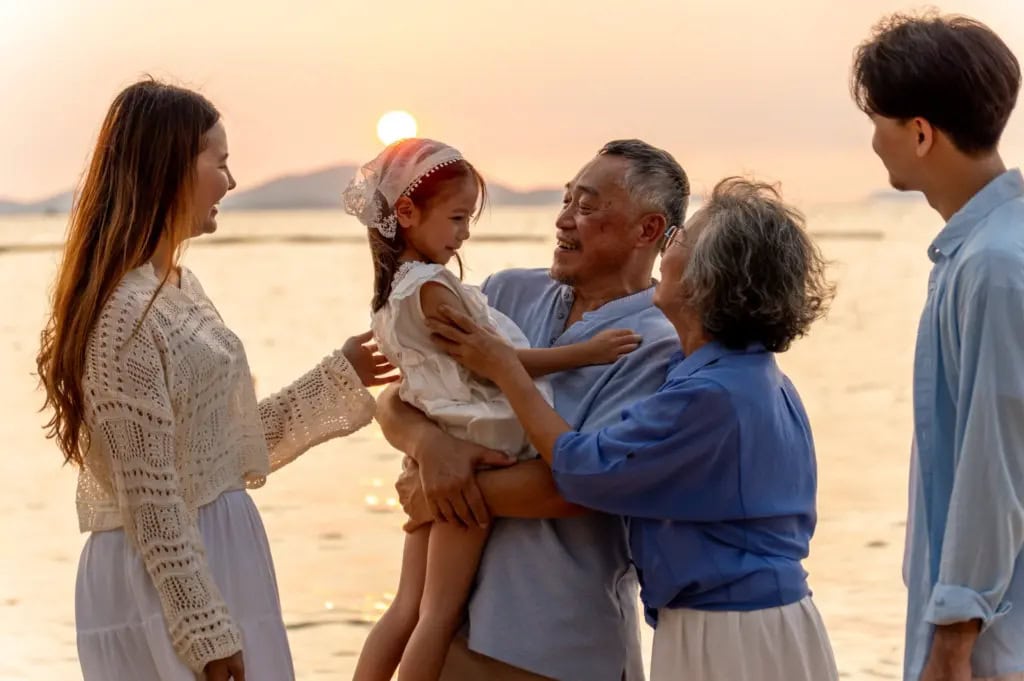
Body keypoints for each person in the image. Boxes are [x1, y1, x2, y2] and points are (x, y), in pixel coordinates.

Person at [35, 79, 391, 681]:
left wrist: (337, 378)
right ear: (168, 167)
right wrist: (202, 627)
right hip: (168, 581)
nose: (231, 181)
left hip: (215, 560)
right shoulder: (123, 315)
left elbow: (218, 453)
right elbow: (152, 496)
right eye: (219, 162)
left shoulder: (177, 291)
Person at [426, 177, 839, 681]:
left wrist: (507, 369)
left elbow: (583, 471)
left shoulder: (711, 395)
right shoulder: (746, 378)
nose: (668, 248)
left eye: (681, 239)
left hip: (734, 630)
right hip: (746, 622)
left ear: (708, 280)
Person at [377, 139, 689, 680]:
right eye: (567, 200)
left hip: (555, 644)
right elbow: (405, 390)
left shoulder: (659, 345)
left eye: (588, 206)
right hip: (450, 632)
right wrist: (428, 445)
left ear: (647, 230)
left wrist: (437, 491)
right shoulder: (502, 293)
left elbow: (575, 487)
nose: (564, 221)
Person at [852, 13, 1024, 681]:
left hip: (993, 650)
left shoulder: (996, 265)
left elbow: (998, 456)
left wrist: (954, 638)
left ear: (920, 133)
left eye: (879, 123)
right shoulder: (980, 253)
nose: (873, 142)